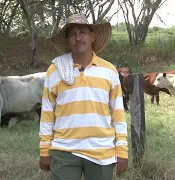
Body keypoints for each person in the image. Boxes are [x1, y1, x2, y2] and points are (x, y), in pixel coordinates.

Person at [39, 13, 129, 180]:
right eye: (72, 34)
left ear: (92, 36)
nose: (77, 38)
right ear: (67, 40)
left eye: (82, 32)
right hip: (64, 150)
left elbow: (118, 114)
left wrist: (122, 149)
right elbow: (47, 113)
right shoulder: (56, 70)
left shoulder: (109, 70)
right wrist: (44, 149)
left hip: (101, 151)